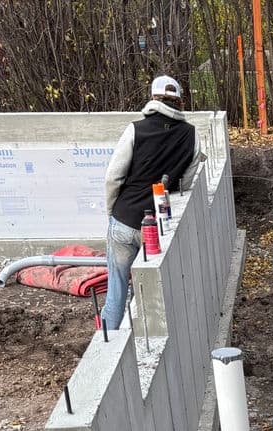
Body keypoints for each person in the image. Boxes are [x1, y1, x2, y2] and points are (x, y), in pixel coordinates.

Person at [101, 75, 205, 329]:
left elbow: (114, 177)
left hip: (124, 220)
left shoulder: (136, 129)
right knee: (144, 291)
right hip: (157, 227)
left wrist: (112, 212)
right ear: (179, 101)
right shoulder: (191, 135)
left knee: (116, 289)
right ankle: (135, 339)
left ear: (153, 98)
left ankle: (110, 340)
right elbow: (187, 183)